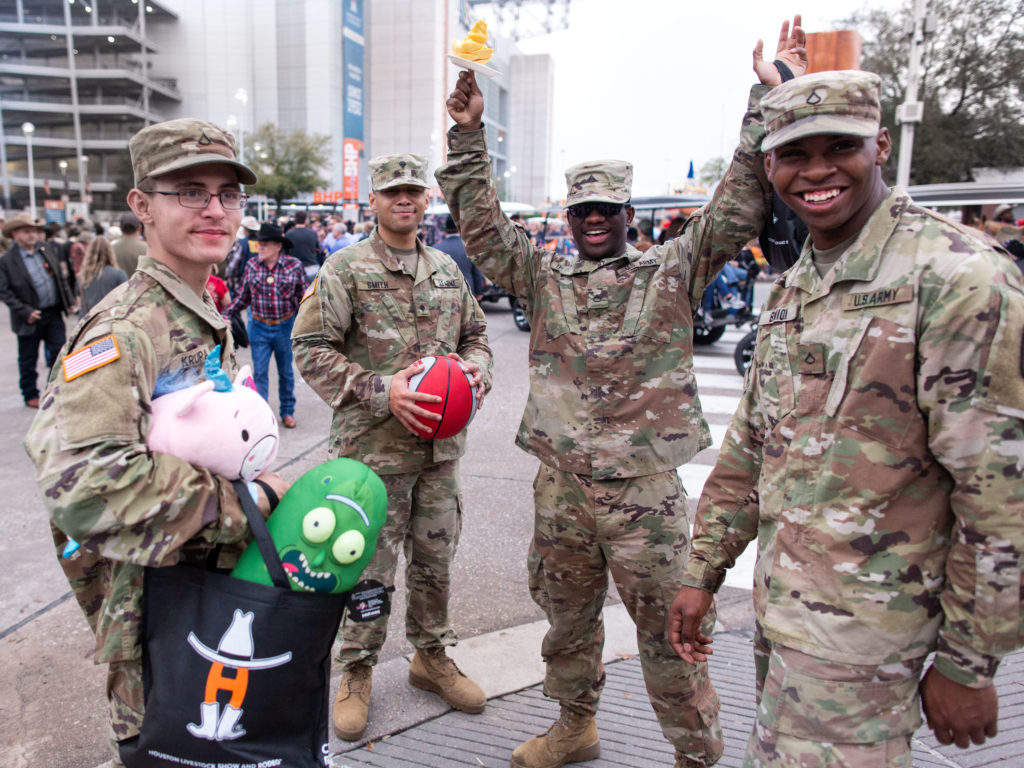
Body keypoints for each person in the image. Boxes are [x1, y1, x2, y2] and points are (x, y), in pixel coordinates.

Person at [436, 17, 805, 767]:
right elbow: (480, 226)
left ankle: (696, 753)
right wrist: (468, 138)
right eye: (584, 211)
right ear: (569, 219)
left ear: (628, 215)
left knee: (672, 631)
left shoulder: (671, 271)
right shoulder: (541, 276)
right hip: (563, 490)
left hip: (647, 498)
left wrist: (767, 100)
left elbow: (736, 204)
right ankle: (577, 725)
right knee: (566, 620)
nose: (596, 220)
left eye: (608, 210)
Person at [668, 68, 1024, 768]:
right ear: (769, 165)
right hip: (788, 621)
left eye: (841, 147)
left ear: (881, 146)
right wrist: (700, 573)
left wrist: (970, 662)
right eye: (795, 154)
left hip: (870, 641)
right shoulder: (801, 283)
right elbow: (748, 454)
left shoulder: (958, 277)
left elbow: (1001, 495)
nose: (818, 171)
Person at [22, 118, 287, 768]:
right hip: (157, 616)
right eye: (189, 191)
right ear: (141, 206)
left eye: (228, 193)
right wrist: (243, 504)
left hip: (206, 599)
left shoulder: (197, 310)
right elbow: (81, 486)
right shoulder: (126, 329)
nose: (214, 209)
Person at [291, 153, 493, 742]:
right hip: (370, 456)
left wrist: (476, 371)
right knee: (365, 567)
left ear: (426, 199)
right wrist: (382, 391)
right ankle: (355, 669)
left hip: (439, 455)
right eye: (392, 192)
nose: (404, 200)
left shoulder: (448, 270)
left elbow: (477, 336)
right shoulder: (344, 268)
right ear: (373, 201)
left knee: (434, 564)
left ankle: (431, 658)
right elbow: (310, 347)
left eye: (413, 191)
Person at [222, 221, 306, 429]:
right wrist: (224, 314)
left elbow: (303, 299)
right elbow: (242, 297)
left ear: (278, 246)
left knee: (286, 372)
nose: (260, 247)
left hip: (284, 326)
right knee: (259, 372)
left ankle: (287, 411)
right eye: (259, 244)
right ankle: (262, 414)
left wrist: (306, 326)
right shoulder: (252, 266)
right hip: (259, 326)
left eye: (265, 244)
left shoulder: (293, 266)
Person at [0, 213, 77, 407]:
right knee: (28, 359)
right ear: (15, 234)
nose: (32, 235)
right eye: (27, 231)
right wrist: (25, 311)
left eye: (34, 231)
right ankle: (30, 394)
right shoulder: (7, 260)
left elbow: (59, 278)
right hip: (29, 317)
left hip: (52, 312)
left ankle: (57, 389)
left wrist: (68, 301)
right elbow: (4, 291)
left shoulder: (47, 249)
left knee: (60, 352)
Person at [434, 215, 485, 299]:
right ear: (460, 230)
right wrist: (478, 292)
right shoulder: (470, 248)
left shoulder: (436, 248)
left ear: (445, 231)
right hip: (466, 292)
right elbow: (477, 273)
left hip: (443, 294)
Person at [78, 235, 128, 312]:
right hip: (111, 319)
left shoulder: (82, 276)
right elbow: (126, 301)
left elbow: (81, 302)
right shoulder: (118, 274)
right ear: (110, 251)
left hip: (89, 320)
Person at [285, 209, 322, 280]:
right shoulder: (313, 233)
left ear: (295, 220)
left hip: (294, 267)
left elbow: (286, 252)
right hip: (311, 267)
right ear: (306, 220)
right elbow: (317, 249)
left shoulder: (288, 234)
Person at [112, 212, 147, 276]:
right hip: (137, 285)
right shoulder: (146, 249)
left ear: (120, 228)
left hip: (116, 285)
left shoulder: (111, 248)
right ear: (139, 228)